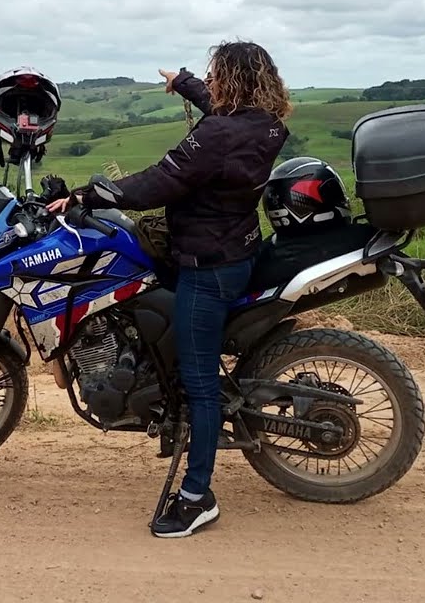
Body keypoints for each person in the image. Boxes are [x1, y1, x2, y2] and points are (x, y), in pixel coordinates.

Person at [47, 40, 293, 538]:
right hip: (234, 248)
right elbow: (219, 111)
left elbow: (158, 182)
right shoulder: (264, 122)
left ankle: (197, 496)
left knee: (199, 384)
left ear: (235, 80)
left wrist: (85, 194)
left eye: (215, 74)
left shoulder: (220, 134)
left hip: (208, 265)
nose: (213, 81)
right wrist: (183, 83)